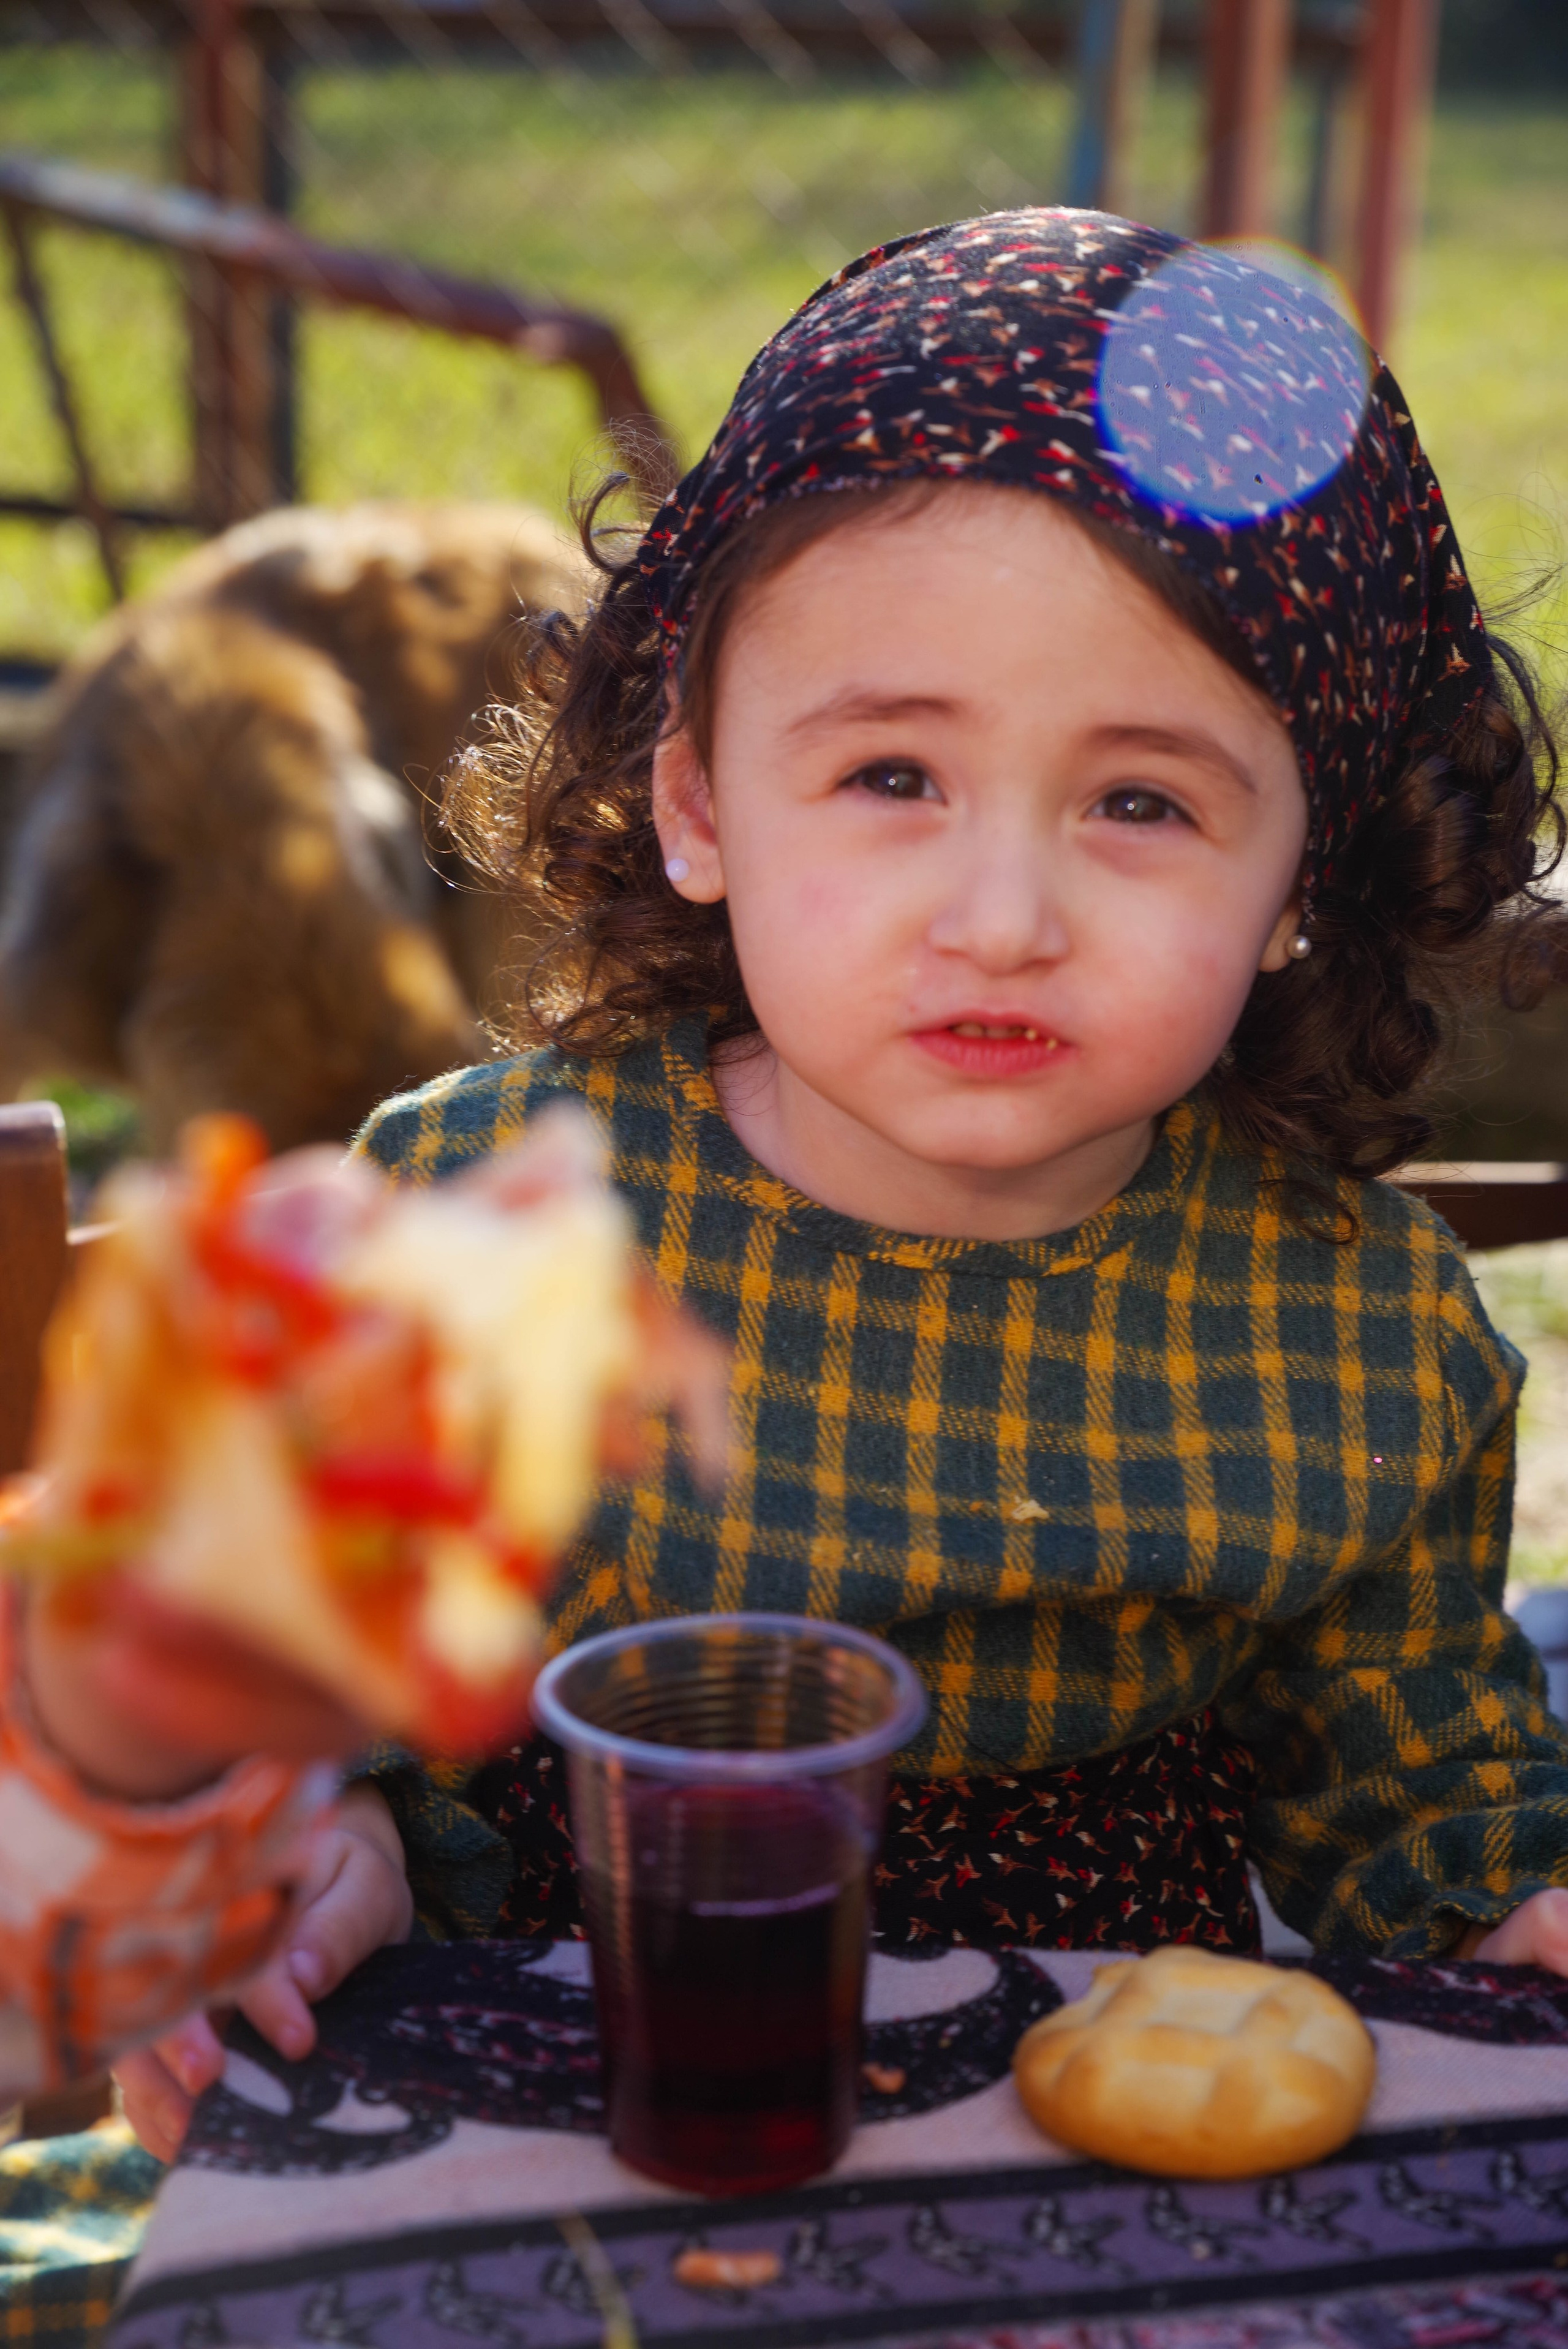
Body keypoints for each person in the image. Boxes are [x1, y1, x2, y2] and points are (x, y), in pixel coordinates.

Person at [110, 207, 1568, 2163]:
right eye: (893, 775)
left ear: (1307, 877)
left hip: (1109, 2191)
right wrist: (318, 1840)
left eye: (1142, 803)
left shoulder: (1359, 1332)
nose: (1000, 917)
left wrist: (1503, 1908)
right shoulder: (482, 1217)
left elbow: (1423, 1803)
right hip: (571, 2128)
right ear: (698, 795)